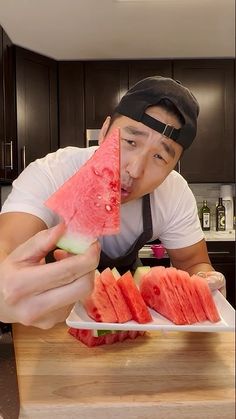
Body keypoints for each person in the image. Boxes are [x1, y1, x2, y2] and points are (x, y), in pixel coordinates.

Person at [0, 76, 226, 330]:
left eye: (160, 157)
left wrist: (206, 284)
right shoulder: (51, 172)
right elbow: (6, 248)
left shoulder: (174, 192)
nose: (135, 169)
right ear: (105, 131)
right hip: (47, 323)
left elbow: (194, 264)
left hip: (128, 320)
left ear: (175, 166)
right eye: (130, 142)